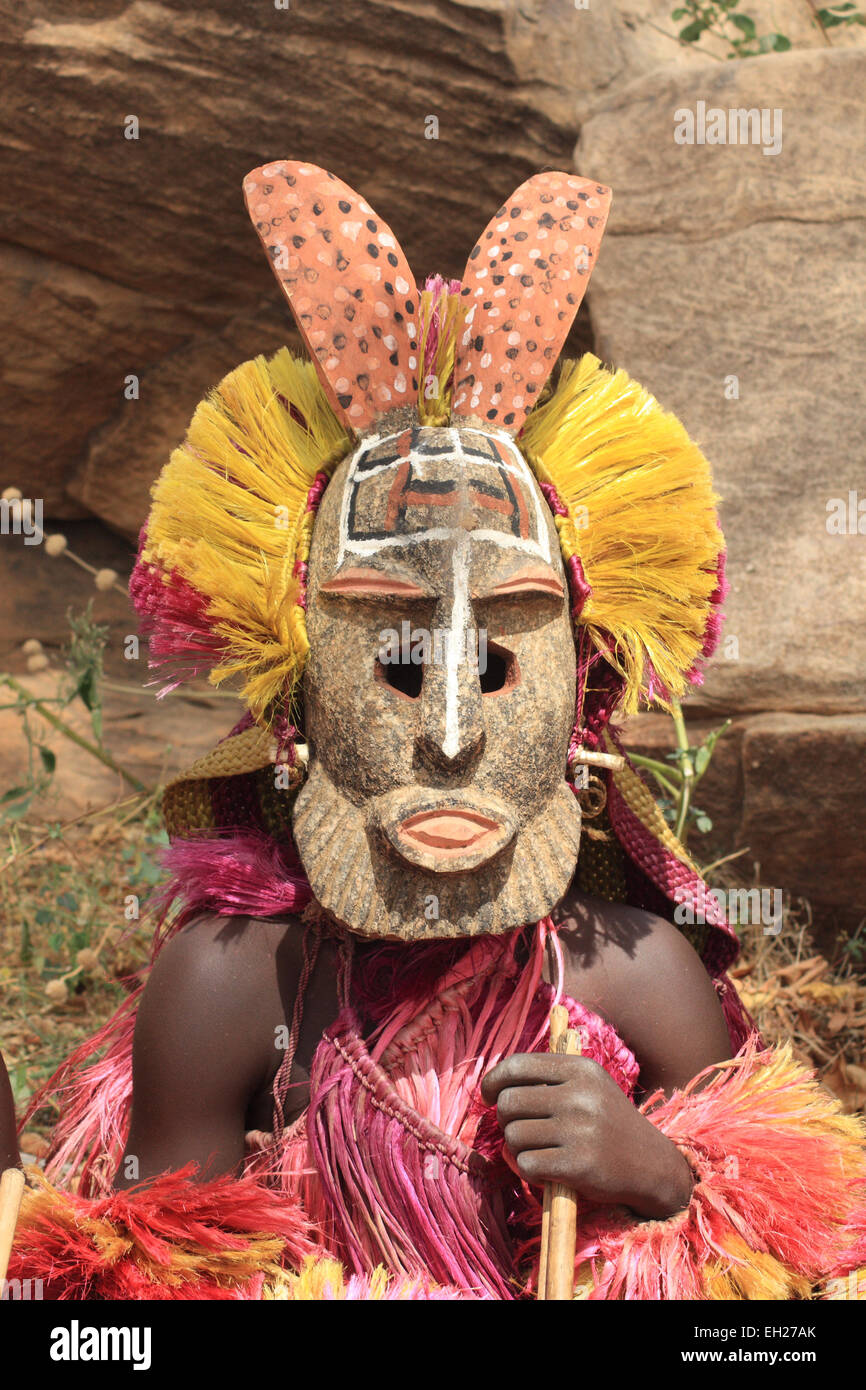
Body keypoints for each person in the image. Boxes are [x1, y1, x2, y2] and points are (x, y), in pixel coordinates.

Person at [9, 163, 865, 1300]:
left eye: (501, 660)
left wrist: (663, 1174)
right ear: (295, 699)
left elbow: (803, 1287)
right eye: (399, 662)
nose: (453, 735)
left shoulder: (633, 977)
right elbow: (130, 1316)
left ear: (583, 699)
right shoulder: (226, 990)